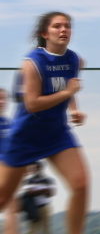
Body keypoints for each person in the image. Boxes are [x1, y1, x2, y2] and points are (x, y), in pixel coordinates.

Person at [0, 11, 88, 234]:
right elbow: (32, 103)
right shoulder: (32, 63)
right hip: (25, 137)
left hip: (56, 134)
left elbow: (68, 86)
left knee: (81, 184)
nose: (63, 30)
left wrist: (74, 109)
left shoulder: (74, 60)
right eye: (57, 26)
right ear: (44, 33)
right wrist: (68, 92)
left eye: (67, 26)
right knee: (3, 198)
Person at [20, 161, 56, 234]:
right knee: (31, 230)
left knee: (46, 229)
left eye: (35, 168)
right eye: (32, 168)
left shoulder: (48, 180)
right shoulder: (28, 181)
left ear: (40, 168)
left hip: (44, 207)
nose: (33, 170)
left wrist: (35, 190)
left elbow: (50, 193)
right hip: (32, 208)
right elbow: (28, 192)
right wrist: (43, 189)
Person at [0, 88, 17, 234]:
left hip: (7, 171)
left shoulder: (8, 122)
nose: (1, 102)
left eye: (3, 98)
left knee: (12, 206)